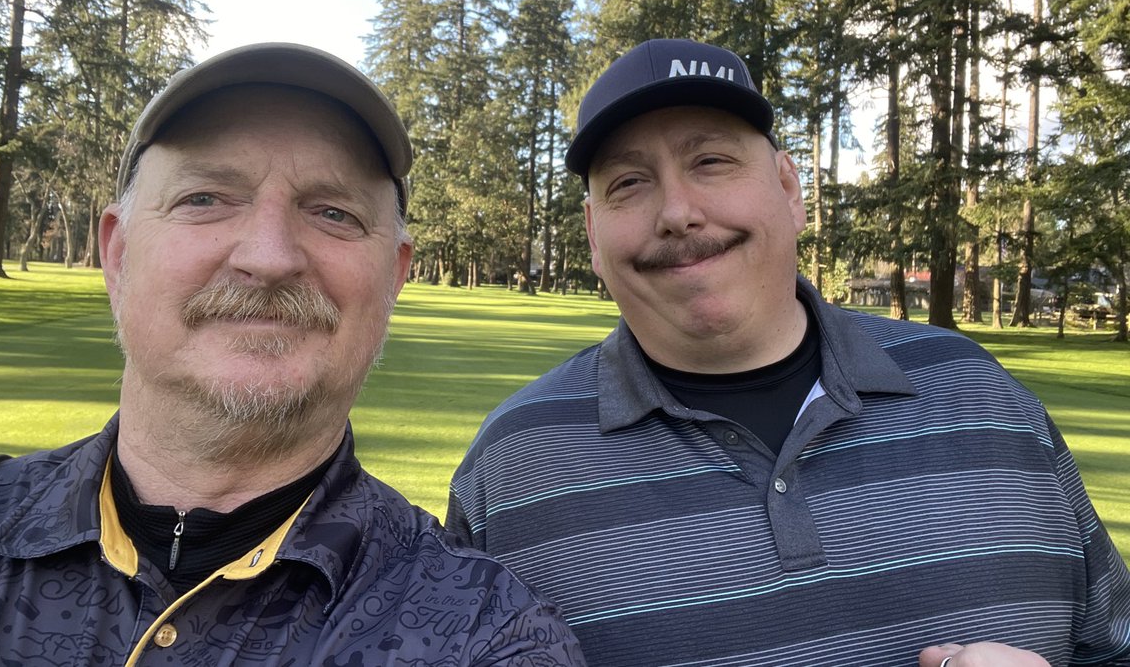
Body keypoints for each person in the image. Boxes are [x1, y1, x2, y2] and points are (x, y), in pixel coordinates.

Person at [447, 38, 1130, 667]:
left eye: (710, 161)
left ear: (790, 189)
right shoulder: (509, 470)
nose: (677, 210)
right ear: (594, 235)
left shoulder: (983, 397)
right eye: (628, 182)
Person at [0, 43, 586, 666]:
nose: (268, 258)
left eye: (334, 213)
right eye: (205, 199)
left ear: (392, 278)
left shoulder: (484, 635)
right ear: (119, 254)